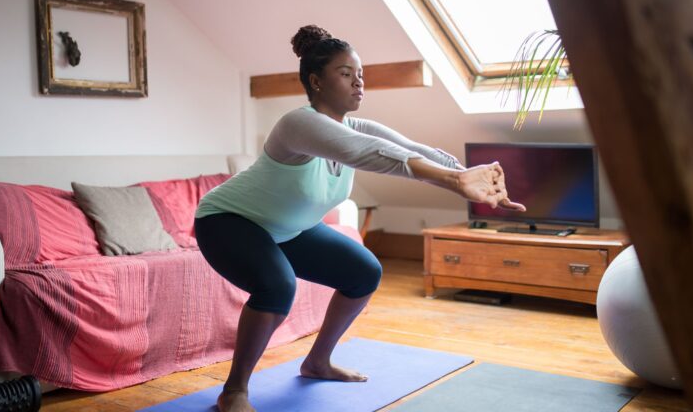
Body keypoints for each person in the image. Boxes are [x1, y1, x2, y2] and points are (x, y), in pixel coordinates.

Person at [194, 24, 526, 412]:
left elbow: (411, 148)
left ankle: (317, 362)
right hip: (228, 221)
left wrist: (475, 174)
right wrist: (456, 181)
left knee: (363, 271)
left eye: (361, 75)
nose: (358, 83)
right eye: (346, 74)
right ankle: (234, 392)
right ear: (316, 81)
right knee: (276, 287)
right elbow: (368, 153)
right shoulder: (297, 124)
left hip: (287, 228)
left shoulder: (355, 126)